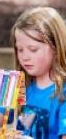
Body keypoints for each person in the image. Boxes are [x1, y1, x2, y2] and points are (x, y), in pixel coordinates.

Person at [10, 7, 66, 139]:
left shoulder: (63, 93)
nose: (25, 57)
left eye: (33, 49)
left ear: (56, 47)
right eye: (20, 49)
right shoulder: (22, 86)